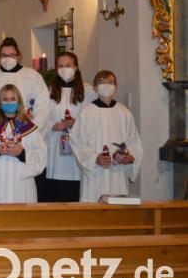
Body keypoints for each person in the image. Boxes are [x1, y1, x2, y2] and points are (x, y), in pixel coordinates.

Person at [70, 70, 142, 202]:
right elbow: (76, 142)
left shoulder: (124, 113)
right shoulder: (87, 112)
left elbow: (134, 142)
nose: (107, 85)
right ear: (95, 88)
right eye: (102, 82)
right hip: (95, 175)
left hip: (118, 174)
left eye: (110, 82)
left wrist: (130, 158)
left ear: (116, 87)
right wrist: (94, 159)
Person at [38, 53, 96, 202]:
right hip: (54, 149)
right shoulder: (49, 91)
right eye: (61, 66)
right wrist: (53, 125)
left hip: (77, 151)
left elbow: (95, 120)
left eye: (68, 66)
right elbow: (41, 118)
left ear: (76, 67)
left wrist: (77, 124)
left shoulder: (89, 91)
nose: (64, 69)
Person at [0, 84, 47, 203]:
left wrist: (22, 154)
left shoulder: (30, 129)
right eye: (5, 99)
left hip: (22, 184)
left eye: (12, 99)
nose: (9, 103)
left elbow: (41, 157)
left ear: (19, 102)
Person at [0, 37, 51, 131]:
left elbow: (43, 106)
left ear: (18, 56)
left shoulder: (32, 76)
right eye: (4, 55)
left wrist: (31, 130)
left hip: (24, 130)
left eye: (12, 55)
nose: (8, 58)